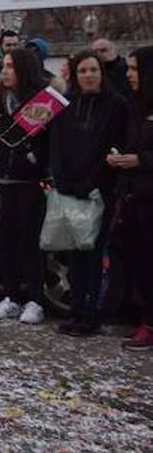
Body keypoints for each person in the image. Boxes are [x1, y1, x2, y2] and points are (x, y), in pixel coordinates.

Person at [49, 50, 128, 336]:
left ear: (101, 72)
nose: (89, 75)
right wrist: (61, 178)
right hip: (68, 190)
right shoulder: (66, 104)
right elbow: (56, 145)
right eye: (82, 71)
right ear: (75, 74)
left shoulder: (116, 105)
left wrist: (91, 181)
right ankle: (75, 311)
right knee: (73, 255)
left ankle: (91, 314)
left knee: (93, 255)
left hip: (98, 192)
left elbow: (114, 147)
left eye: (93, 70)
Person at [0, 47, 51, 325]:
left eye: (10, 66)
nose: (5, 71)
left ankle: (34, 299)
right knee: (5, 242)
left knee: (31, 243)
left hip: (29, 183)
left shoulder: (41, 102)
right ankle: (10, 296)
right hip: (1, 180)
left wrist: (36, 160)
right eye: (4, 65)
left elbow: (49, 143)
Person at [107, 45, 153, 350]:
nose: (129, 74)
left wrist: (140, 160)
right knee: (140, 264)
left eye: (135, 69)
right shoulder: (135, 106)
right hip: (135, 198)